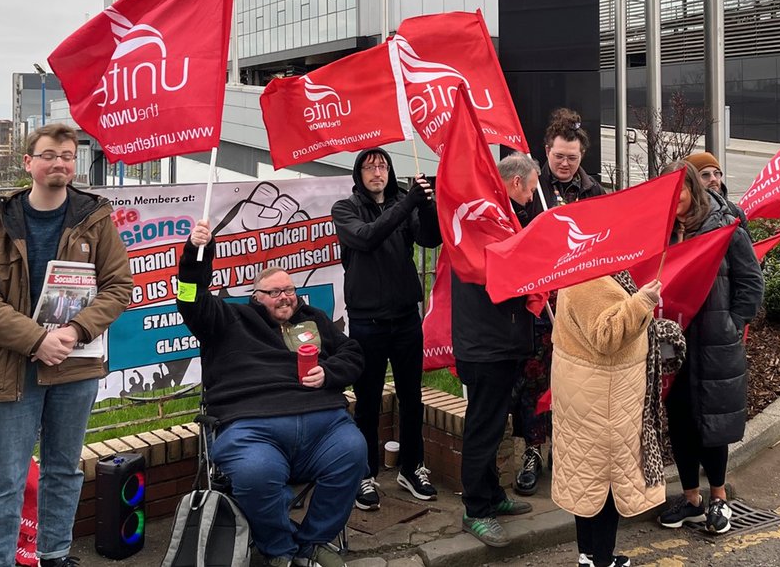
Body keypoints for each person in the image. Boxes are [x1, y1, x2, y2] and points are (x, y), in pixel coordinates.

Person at [0, 124, 133, 567]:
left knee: (64, 470)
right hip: (12, 367)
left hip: (74, 367)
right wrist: (37, 340)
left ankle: (54, 554)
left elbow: (118, 287)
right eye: (50, 155)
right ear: (29, 163)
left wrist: (74, 332)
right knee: (7, 478)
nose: (60, 163)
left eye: (68, 156)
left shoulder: (95, 221)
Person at [177, 222, 365, 567]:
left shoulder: (314, 319)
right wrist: (195, 255)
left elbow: (352, 353)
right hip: (252, 426)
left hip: (324, 425)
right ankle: (279, 548)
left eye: (290, 290)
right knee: (255, 474)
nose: (285, 297)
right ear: (256, 298)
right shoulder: (230, 318)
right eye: (274, 292)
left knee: (353, 453)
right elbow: (190, 298)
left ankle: (313, 542)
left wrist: (331, 372)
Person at [657, 162, 763, 535]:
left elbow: (751, 281)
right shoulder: (662, 230)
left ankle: (719, 497)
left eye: (679, 193)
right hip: (674, 343)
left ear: (692, 189)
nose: (674, 202)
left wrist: (733, 323)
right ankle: (691, 500)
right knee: (681, 420)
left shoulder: (724, 225)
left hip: (715, 340)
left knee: (713, 422)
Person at [331, 148, 441, 509]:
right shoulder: (345, 210)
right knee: (367, 402)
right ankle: (365, 474)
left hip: (406, 318)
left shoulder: (402, 204)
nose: (377, 171)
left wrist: (425, 203)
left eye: (383, 165)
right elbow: (367, 237)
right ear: (358, 174)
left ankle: (412, 467)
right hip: (367, 323)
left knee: (413, 399)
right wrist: (407, 203)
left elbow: (430, 238)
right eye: (369, 166)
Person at [513, 107, 605, 496]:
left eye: (572, 157)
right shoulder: (532, 188)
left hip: (577, 303)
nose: (565, 164)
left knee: (572, 381)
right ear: (546, 151)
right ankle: (533, 450)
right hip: (538, 303)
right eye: (558, 156)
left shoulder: (593, 191)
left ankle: (565, 451)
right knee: (533, 379)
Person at [451, 153, 540, 547]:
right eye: (532, 189)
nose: (532, 198)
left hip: (500, 341)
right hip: (486, 343)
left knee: (490, 423)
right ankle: (475, 509)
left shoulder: (497, 218)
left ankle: (491, 495)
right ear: (517, 182)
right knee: (482, 427)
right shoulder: (485, 222)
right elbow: (499, 276)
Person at [551, 271, 665, 567]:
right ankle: (602, 559)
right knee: (606, 483)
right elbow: (607, 335)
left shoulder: (583, 269)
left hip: (591, 395)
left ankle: (588, 555)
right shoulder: (589, 278)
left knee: (586, 479)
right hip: (605, 400)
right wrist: (643, 302)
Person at [684, 151, 748, 230]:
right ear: (692, 180)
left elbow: (746, 241)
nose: (713, 179)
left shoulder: (734, 211)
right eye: (705, 175)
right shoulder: (682, 214)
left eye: (716, 173)